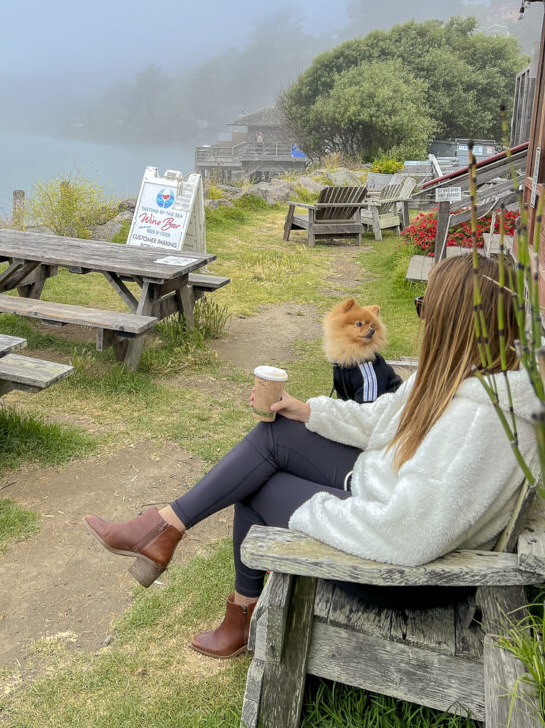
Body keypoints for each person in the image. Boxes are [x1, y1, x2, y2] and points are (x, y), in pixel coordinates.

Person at [84, 254, 538, 659]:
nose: (422, 319)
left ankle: (225, 599)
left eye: (427, 309)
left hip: (398, 569)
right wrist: (306, 410)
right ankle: (165, 530)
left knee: (258, 485)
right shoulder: (462, 376)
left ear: (456, 326)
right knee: (275, 434)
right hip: (383, 487)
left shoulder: (482, 422)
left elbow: (409, 534)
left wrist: (312, 508)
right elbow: (382, 419)